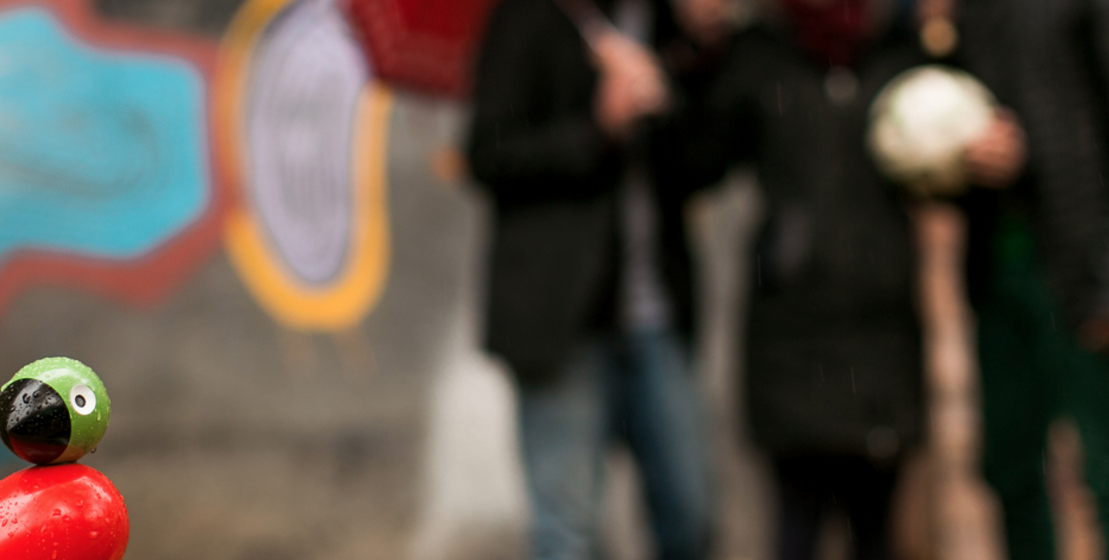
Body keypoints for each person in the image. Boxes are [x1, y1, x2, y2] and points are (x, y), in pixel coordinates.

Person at [661, 0, 948, 557]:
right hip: (790, 331)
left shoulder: (904, 51)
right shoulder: (755, 56)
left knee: (877, 530)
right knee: (797, 526)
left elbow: (951, 170)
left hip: (881, 328)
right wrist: (694, 59)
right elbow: (691, 163)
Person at [464, 0, 715, 559]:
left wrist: (683, 77)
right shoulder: (528, 19)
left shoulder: (666, 26)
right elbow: (486, 153)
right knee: (568, 531)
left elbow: (702, 164)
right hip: (561, 322)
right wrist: (597, 129)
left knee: (691, 516)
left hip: (657, 313)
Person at [950, 0, 1109, 557]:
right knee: (1010, 467)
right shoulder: (963, 14)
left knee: (1102, 467)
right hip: (996, 268)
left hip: (1082, 267)